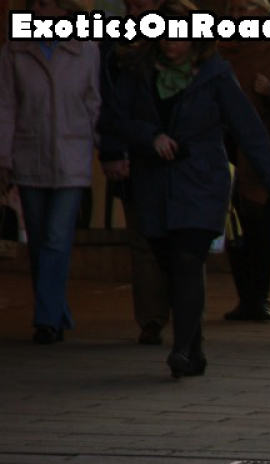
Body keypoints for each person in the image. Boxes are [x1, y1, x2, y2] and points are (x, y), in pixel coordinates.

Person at [105, 0, 270, 376]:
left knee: (189, 260)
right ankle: (195, 342)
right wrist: (149, 135)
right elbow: (112, 119)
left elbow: (247, 126)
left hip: (201, 181)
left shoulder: (215, 75)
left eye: (180, 36)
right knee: (169, 264)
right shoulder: (138, 73)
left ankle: (183, 349)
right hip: (154, 184)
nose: (171, 43)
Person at [0, 0, 99, 345]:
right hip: (29, 155)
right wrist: (4, 154)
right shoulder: (15, 48)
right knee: (40, 241)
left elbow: (93, 100)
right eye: (39, 4)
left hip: (71, 153)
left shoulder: (85, 46)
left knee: (57, 238)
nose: (44, 11)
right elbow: (6, 102)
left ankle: (46, 319)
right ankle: (55, 309)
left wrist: (101, 144)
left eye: (51, 5)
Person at [218, 0, 270, 323]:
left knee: (263, 225)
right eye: (233, 10)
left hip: (267, 150)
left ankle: (259, 295)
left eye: (245, 9)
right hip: (226, 147)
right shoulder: (219, 51)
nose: (237, 16)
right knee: (234, 225)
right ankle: (245, 296)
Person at [99, 0, 168, 346]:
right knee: (143, 240)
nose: (140, 6)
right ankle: (152, 319)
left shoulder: (182, 43)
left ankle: (184, 315)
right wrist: (113, 151)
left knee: (183, 239)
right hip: (138, 159)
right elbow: (108, 104)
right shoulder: (113, 48)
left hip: (179, 158)